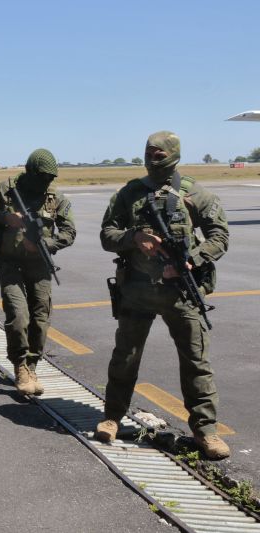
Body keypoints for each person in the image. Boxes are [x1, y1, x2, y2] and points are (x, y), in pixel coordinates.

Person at [95, 131, 230, 460]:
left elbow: (219, 236)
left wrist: (190, 260)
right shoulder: (130, 194)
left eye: (159, 155)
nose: (153, 159)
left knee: (196, 362)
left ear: (173, 155)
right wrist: (134, 237)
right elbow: (107, 235)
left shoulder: (195, 194)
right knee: (125, 357)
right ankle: (112, 417)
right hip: (138, 291)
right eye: (149, 154)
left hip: (181, 292)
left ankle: (205, 430)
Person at [0, 148, 75, 395]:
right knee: (18, 315)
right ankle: (20, 365)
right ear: (30, 171)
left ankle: (33, 364)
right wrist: (6, 218)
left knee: (41, 316)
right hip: (9, 262)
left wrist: (47, 244)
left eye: (50, 178)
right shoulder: (6, 190)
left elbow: (69, 231)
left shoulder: (55, 197)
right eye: (42, 177)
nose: (46, 183)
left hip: (40, 264)